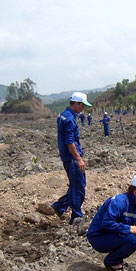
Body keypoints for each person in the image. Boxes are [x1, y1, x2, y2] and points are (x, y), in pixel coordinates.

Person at [52, 92, 91, 224]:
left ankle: (60, 207)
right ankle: (76, 217)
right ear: (76, 104)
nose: (83, 109)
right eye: (82, 105)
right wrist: (78, 158)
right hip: (73, 159)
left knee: (75, 186)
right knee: (79, 187)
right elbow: (70, 141)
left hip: (67, 158)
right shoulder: (69, 119)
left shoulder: (63, 115)